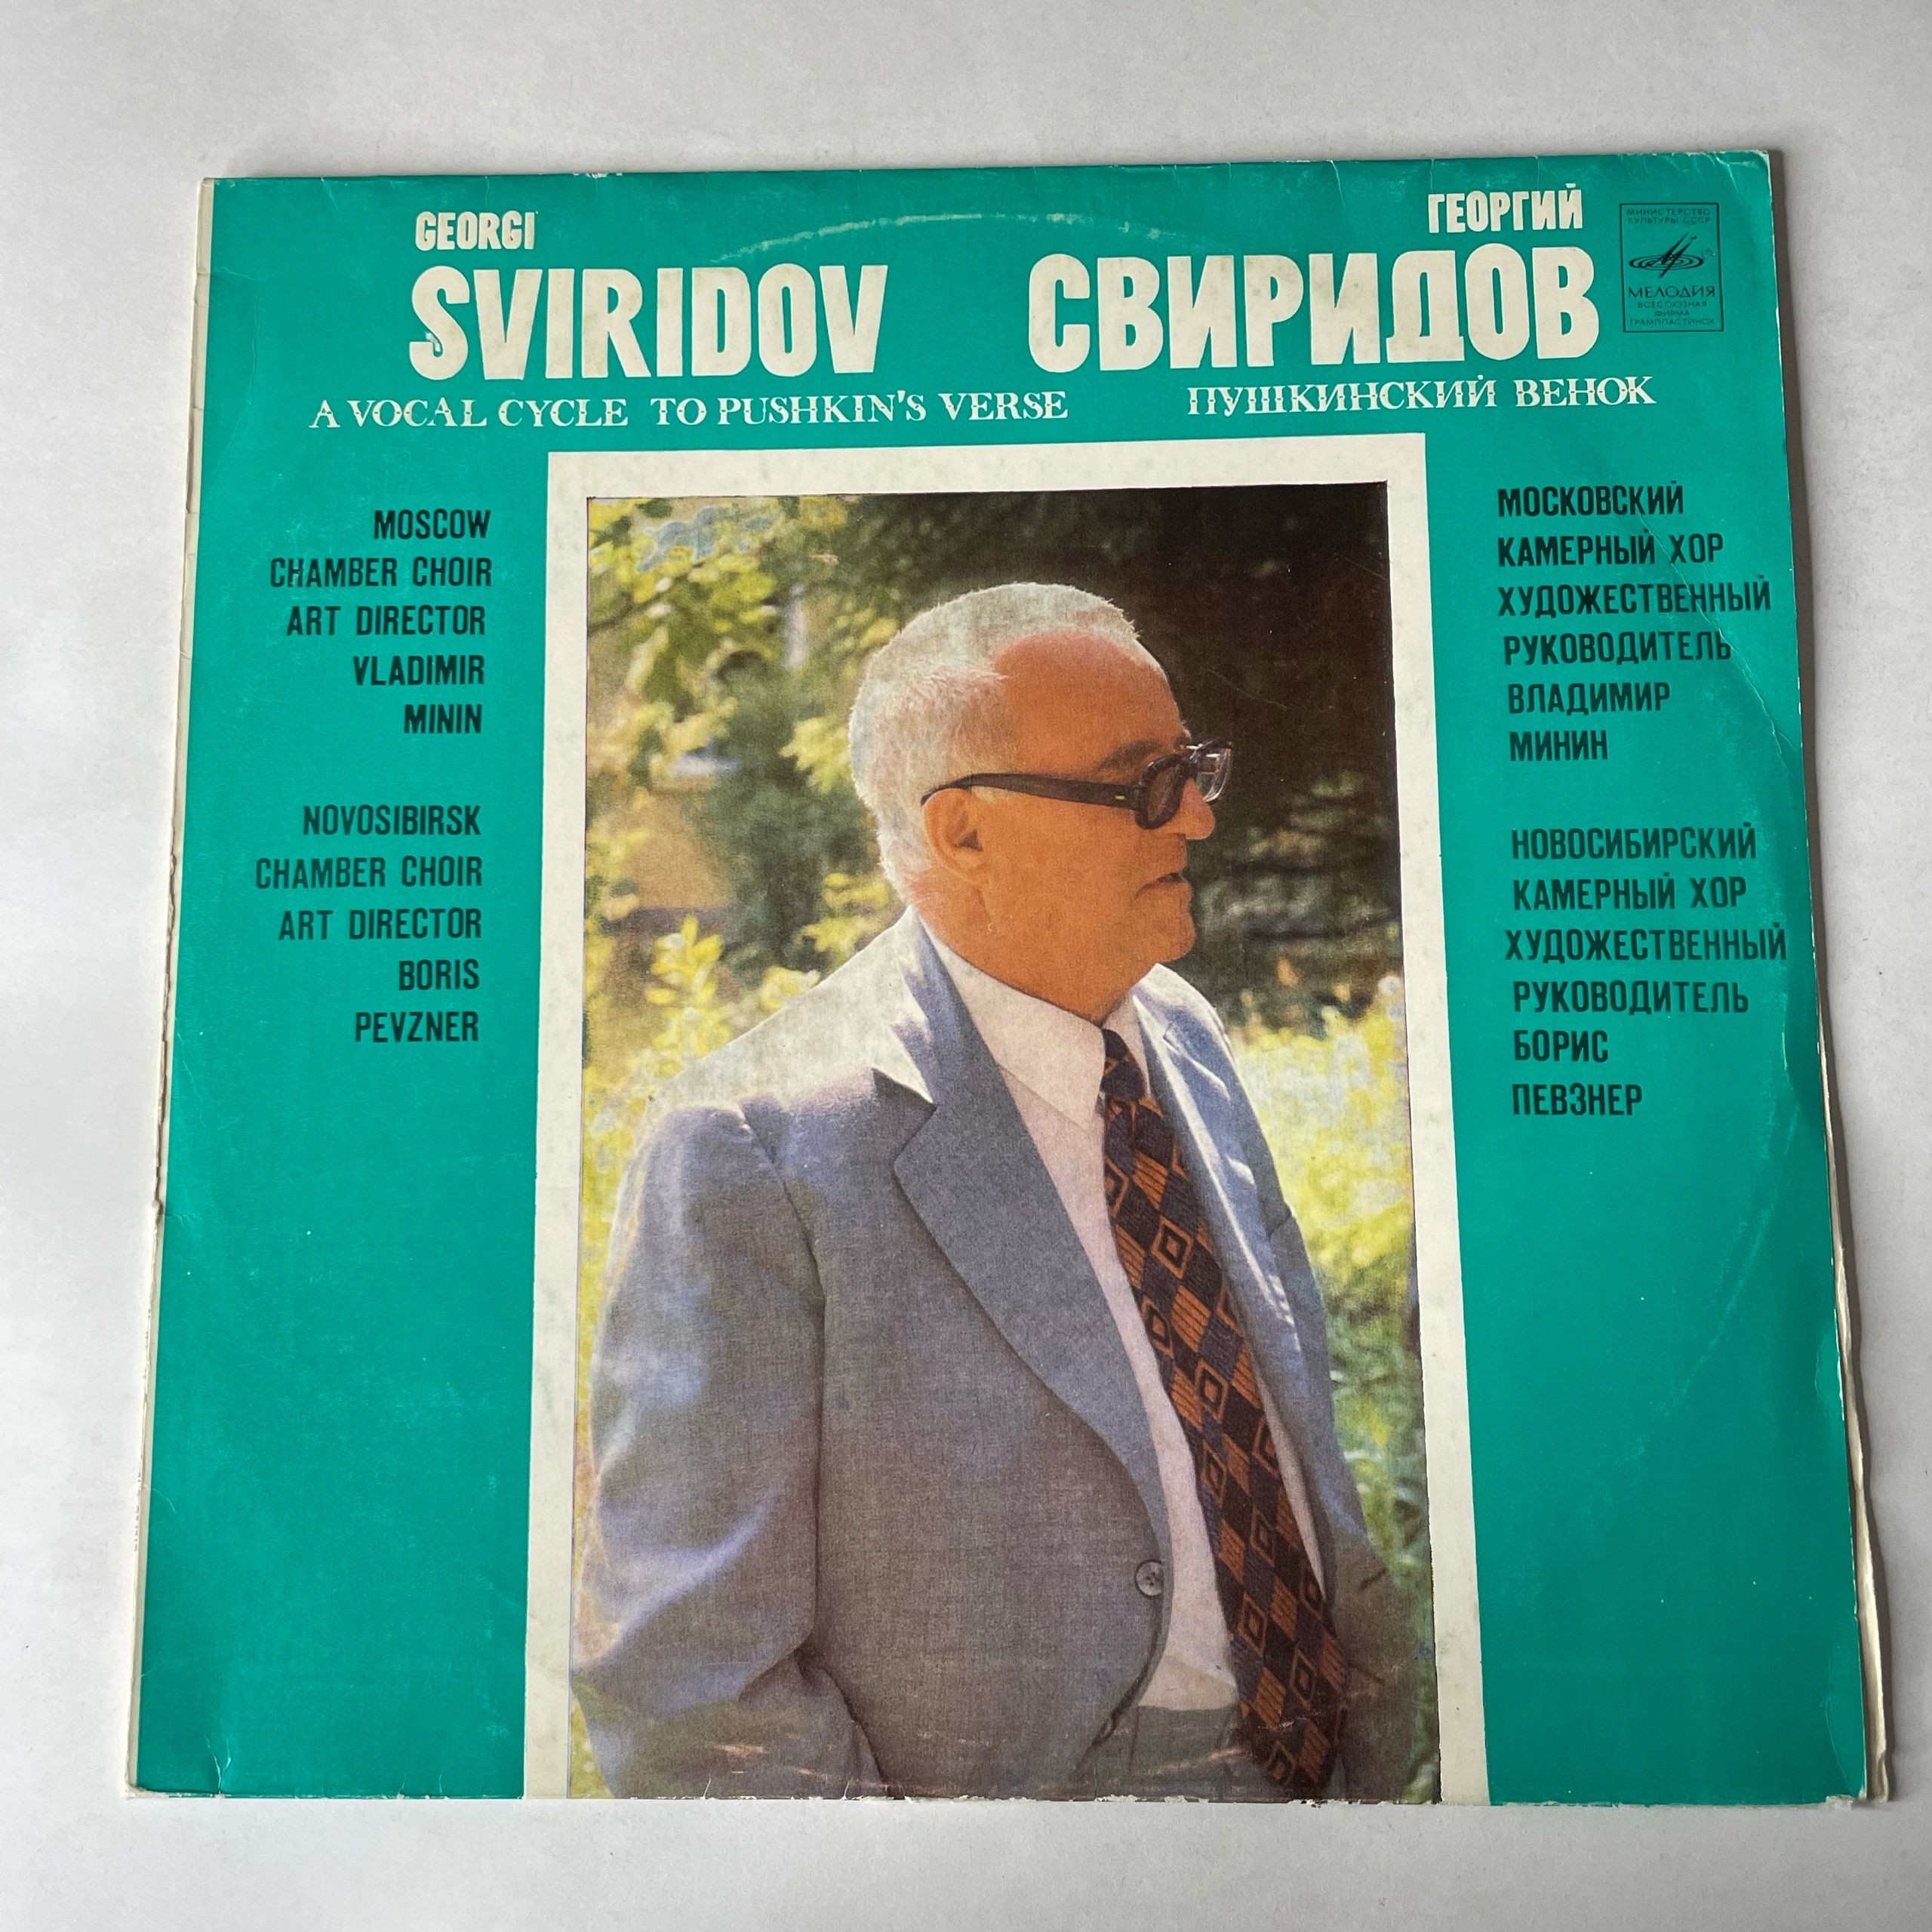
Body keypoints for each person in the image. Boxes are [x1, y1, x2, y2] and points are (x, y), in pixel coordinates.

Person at [574, 583, 1417, 1800]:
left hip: (1319, 1792)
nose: (1197, 820)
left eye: (1193, 770)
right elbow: (692, 1685)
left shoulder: (1179, 1030)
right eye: (1143, 785)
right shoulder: (751, 1153)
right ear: (963, 832)